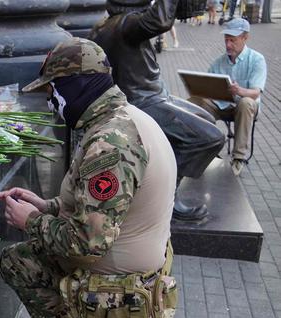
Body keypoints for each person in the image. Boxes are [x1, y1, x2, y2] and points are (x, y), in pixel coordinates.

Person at [0, 37, 178, 318]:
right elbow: (101, 208)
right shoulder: (116, 119)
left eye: (52, 91)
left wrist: (30, 221)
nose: (50, 101)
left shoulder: (112, 143)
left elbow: (86, 244)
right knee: (20, 262)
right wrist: (47, 206)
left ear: (75, 87)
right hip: (111, 274)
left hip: (119, 297)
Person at [89, 0, 226, 221]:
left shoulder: (106, 25)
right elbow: (159, 21)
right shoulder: (126, 24)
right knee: (210, 138)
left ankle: (168, 166)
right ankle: (166, 199)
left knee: (207, 117)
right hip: (143, 102)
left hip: (152, 96)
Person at [189, 18, 266, 176]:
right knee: (195, 102)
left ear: (245, 38)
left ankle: (238, 157)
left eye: (233, 40)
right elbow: (207, 82)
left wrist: (240, 91)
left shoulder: (257, 59)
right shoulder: (219, 62)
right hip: (223, 105)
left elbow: (256, 92)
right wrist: (198, 88)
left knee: (246, 103)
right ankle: (204, 149)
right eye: (226, 40)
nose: (228, 45)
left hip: (244, 107)